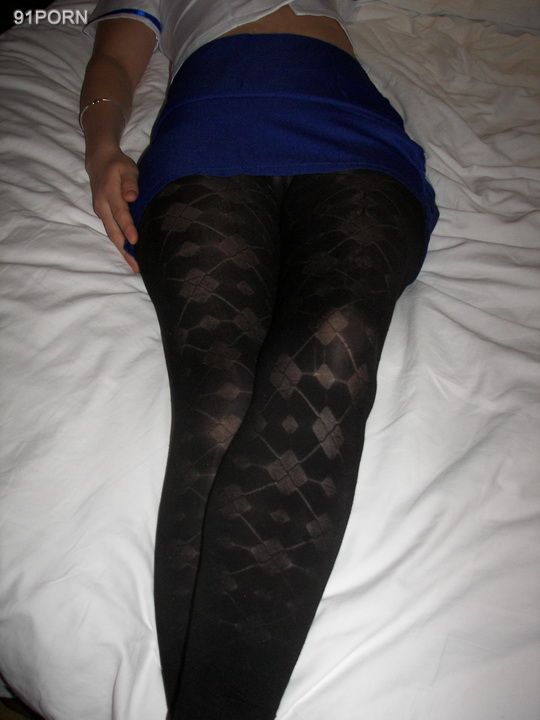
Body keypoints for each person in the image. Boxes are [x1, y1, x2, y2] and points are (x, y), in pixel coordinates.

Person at [80, 2, 438, 718]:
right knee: (218, 391)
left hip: (354, 134)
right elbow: (114, 59)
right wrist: (102, 152)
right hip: (209, 131)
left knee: (338, 334)